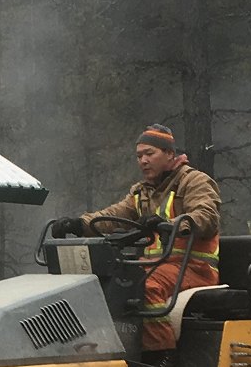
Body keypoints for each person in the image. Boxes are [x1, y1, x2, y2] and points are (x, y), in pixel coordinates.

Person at [51, 124, 221, 352]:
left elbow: (207, 216)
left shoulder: (195, 182)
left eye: (149, 153)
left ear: (170, 154)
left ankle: (160, 356)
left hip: (194, 268)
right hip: (156, 267)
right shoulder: (142, 192)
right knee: (110, 283)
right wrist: (79, 224)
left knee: (143, 286)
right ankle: (110, 351)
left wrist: (169, 225)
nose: (143, 161)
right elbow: (113, 216)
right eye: (139, 156)